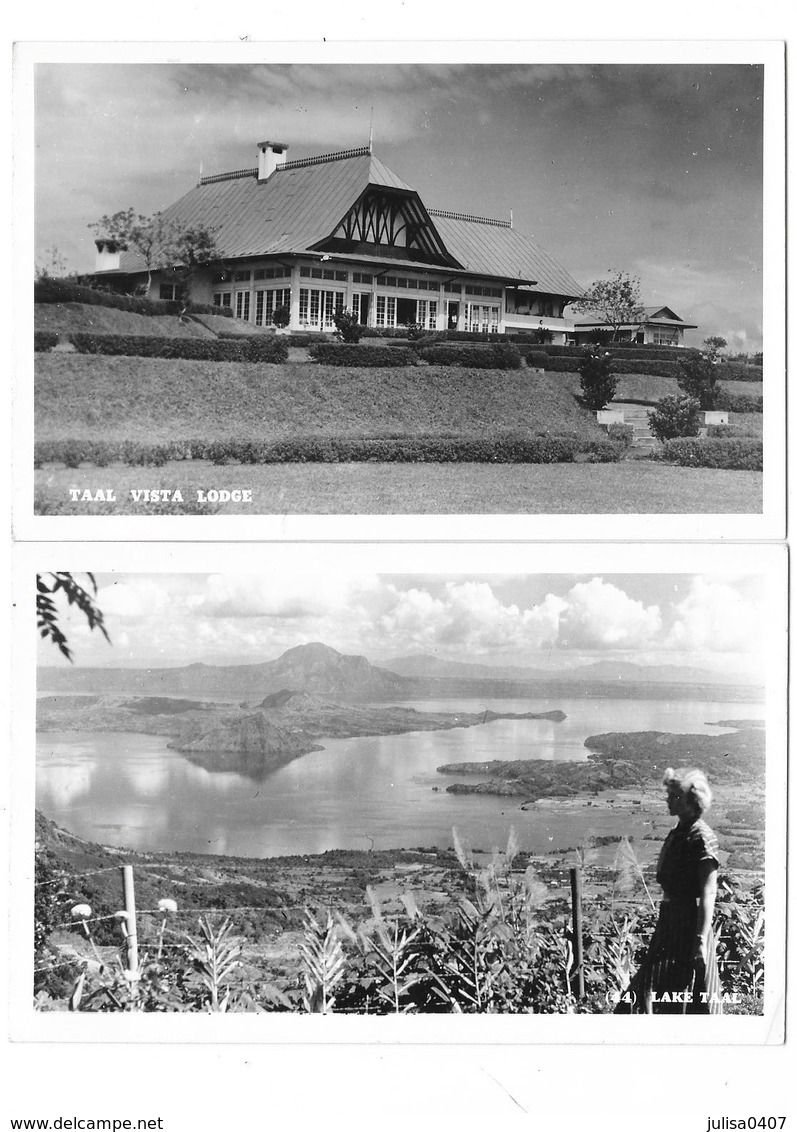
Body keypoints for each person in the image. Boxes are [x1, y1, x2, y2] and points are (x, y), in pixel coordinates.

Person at [631, 767, 722, 1014]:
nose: (668, 800)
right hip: (671, 921)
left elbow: (708, 893)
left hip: (688, 925)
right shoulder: (679, 832)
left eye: (675, 796)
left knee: (685, 990)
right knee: (659, 988)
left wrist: (700, 942)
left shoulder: (701, 837)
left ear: (692, 801)